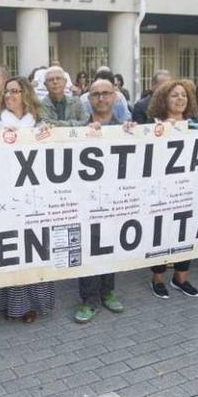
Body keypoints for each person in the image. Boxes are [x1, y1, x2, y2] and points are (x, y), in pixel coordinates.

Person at [0, 77, 55, 322]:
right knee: (9, 248)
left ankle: (32, 305)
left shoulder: (39, 122)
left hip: (34, 193)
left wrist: (50, 136)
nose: (9, 96)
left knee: (33, 248)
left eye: (14, 91)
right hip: (4, 192)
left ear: (25, 94)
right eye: (7, 92)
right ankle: (9, 304)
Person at [74, 79, 128, 323]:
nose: (101, 98)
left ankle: (108, 292)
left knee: (109, 245)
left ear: (115, 96)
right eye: (95, 94)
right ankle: (89, 300)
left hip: (114, 199)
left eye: (106, 93)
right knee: (88, 247)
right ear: (89, 99)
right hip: (85, 199)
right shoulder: (78, 129)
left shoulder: (126, 128)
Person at [145, 80, 198, 298]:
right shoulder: (152, 125)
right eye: (174, 95)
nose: (180, 99)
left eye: (184, 95)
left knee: (185, 232)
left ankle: (181, 278)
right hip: (161, 191)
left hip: (188, 190)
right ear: (163, 100)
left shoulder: (195, 124)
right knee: (161, 234)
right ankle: (157, 278)